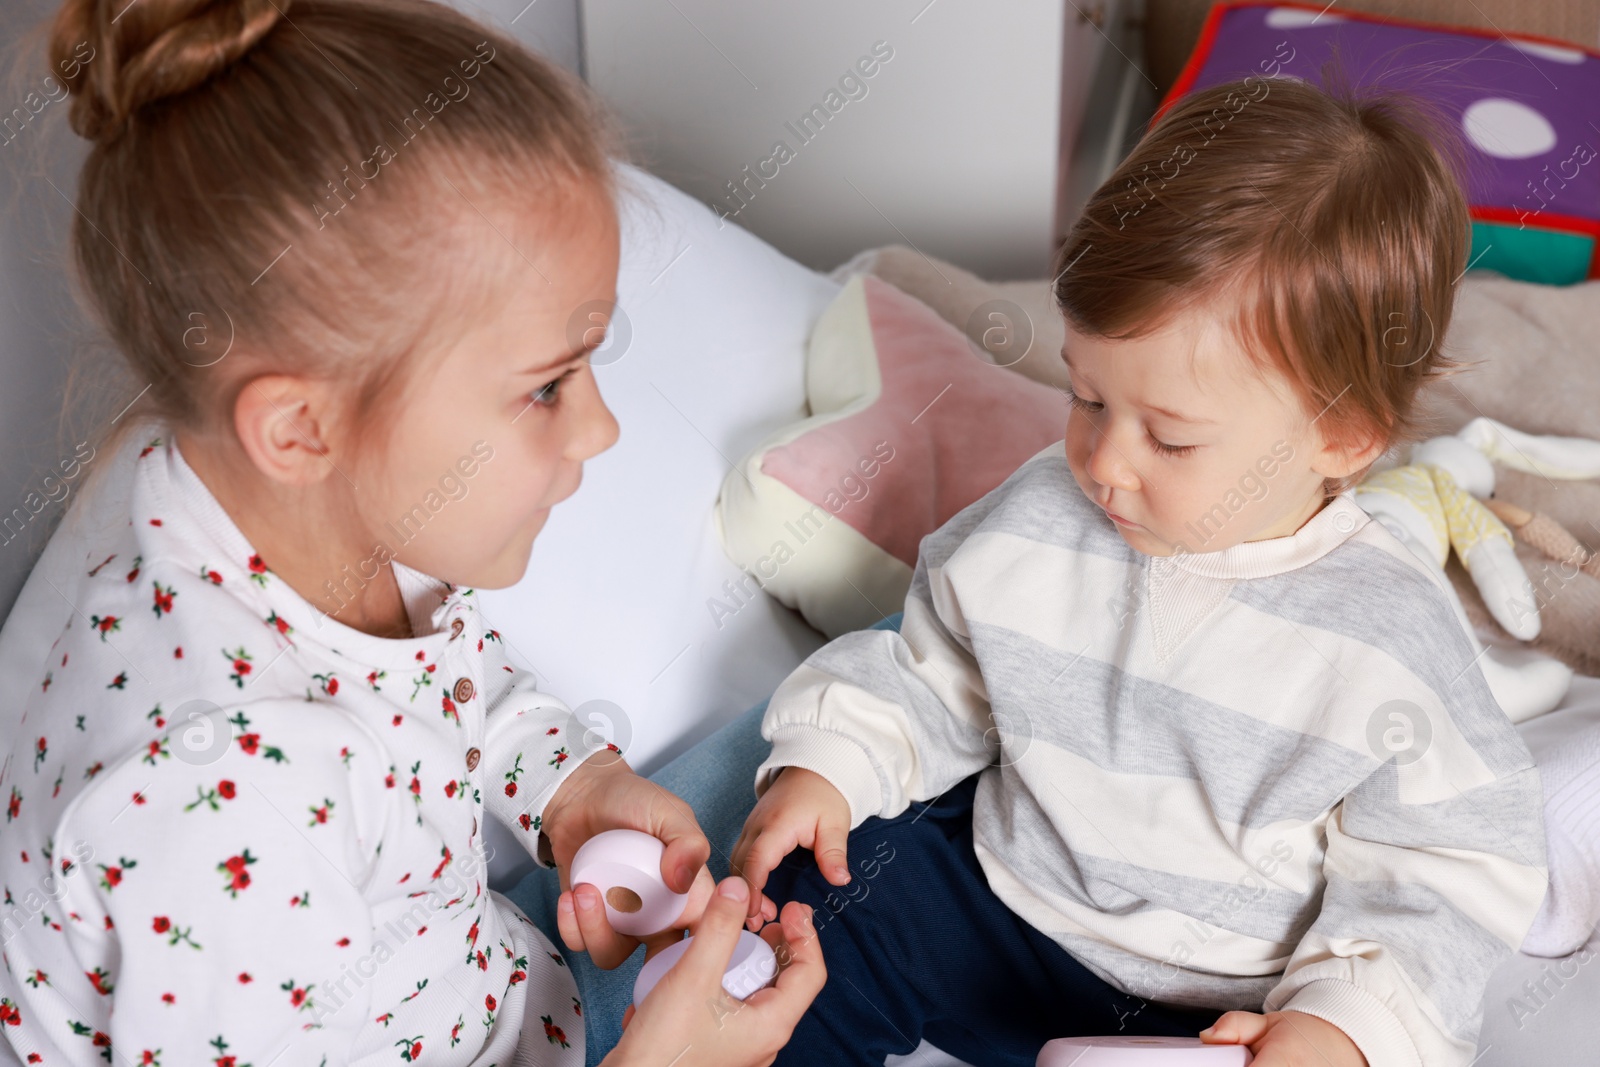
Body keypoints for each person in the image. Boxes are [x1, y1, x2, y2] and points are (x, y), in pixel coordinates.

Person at [0, 1, 820, 1064]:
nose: (600, 427)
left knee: (821, 768)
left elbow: (443, 673)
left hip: (489, 989)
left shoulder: (265, 516)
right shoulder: (223, 808)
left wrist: (570, 789)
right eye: (545, 387)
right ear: (301, 427)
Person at [732, 72, 1550, 1067]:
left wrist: (1341, 1022)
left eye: (1169, 437)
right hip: (1004, 899)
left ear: (1340, 433)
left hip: (1221, 998)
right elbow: (930, 671)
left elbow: (1447, 867)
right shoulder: (1041, 516)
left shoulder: (1387, 630)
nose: (1104, 465)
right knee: (806, 916)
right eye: (1085, 399)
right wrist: (832, 761)